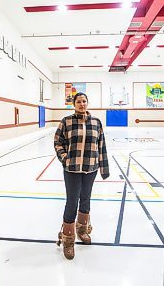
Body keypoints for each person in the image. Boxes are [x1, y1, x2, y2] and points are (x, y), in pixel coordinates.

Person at [54, 92, 110, 260]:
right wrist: (65, 158)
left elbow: (101, 145)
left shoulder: (96, 122)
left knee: (86, 198)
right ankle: (68, 239)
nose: (82, 104)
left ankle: (82, 229)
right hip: (72, 169)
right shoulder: (66, 121)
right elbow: (58, 142)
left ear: (88, 103)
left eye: (84, 101)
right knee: (72, 201)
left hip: (90, 168)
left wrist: (103, 168)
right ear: (74, 104)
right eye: (78, 101)